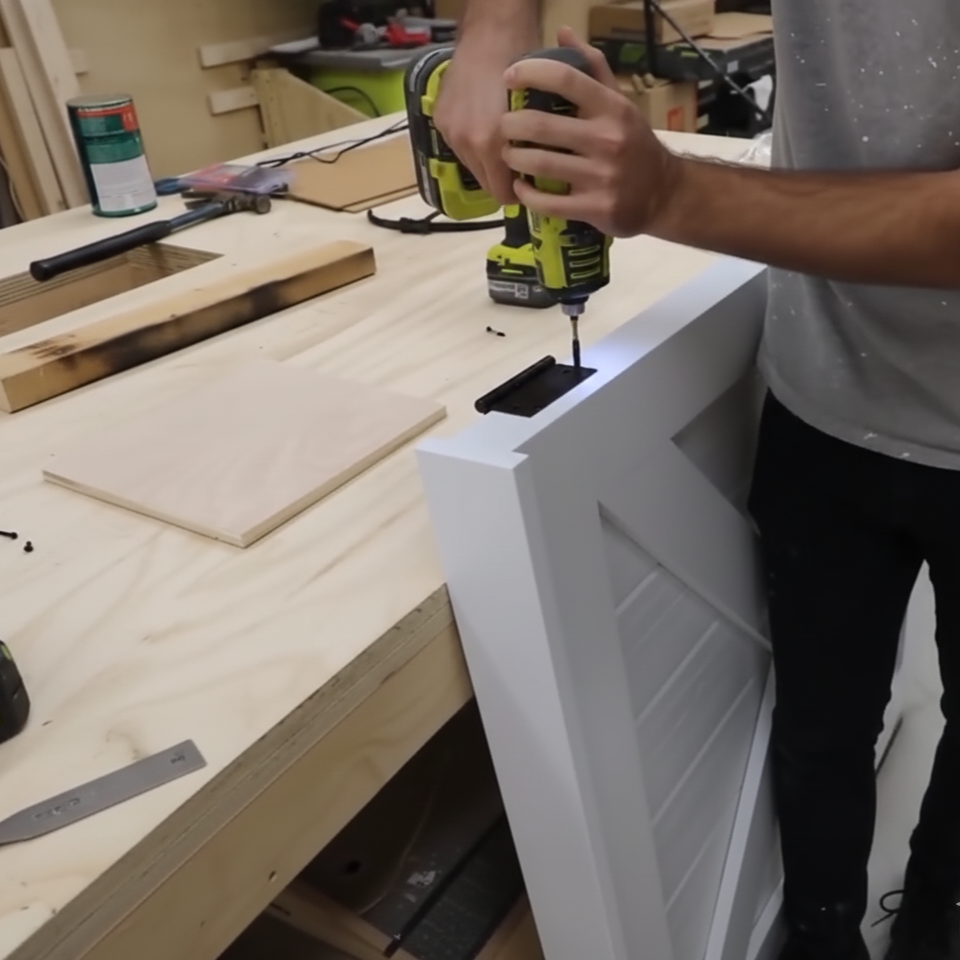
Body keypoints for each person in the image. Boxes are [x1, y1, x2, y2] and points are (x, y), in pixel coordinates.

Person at [434, 3, 960, 960]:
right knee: (820, 726)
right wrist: (496, 25)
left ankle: (938, 918)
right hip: (824, 390)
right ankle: (823, 935)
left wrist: (671, 190)